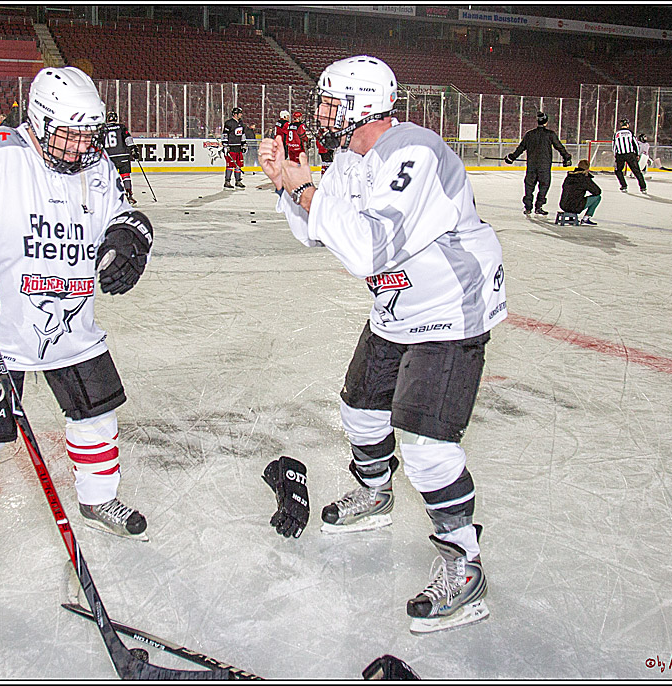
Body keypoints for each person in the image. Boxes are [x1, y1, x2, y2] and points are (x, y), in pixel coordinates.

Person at [259, 55, 504, 634]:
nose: (321, 114)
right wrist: (289, 186)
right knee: (360, 410)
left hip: (448, 311)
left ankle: (465, 565)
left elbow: (370, 246)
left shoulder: (413, 151)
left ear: (361, 106)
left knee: (425, 444)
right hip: (398, 305)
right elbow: (320, 234)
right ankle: (375, 494)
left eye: (330, 104)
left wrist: (306, 187)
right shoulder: (351, 158)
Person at [0, 66, 154, 601]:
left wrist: (130, 237)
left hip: (72, 325)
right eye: (68, 134)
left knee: (97, 418)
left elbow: (124, 214)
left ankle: (98, 498)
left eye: (88, 134)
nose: (80, 145)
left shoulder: (95, 164)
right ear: (38, 121)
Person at [504, 111, 572, 216]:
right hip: (544, 167)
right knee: (544, 186)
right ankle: (539, 206)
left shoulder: (529, 134)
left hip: (532, 166)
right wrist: (567, 157)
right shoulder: (550, 134)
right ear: (546, 122)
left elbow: (521, 148)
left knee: (529, 187)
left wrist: (512, 157)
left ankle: (528, 207)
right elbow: (559, 147)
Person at [101, 111, 139, 205]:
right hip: (123, 156)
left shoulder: (102, 129)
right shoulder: (121, 127)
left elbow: (99, 143)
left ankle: (109, 197)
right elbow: (128, 139)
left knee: (109, 178)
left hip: (109, 157)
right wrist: (133, 149)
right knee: (125, 175)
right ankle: (129, 194)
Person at [559, 160, 602, 225]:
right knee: (597, 197)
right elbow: (597, 191)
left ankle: (572, 217)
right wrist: (588, 179)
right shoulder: (584, 178)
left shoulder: (569, 176)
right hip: (575, 206)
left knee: (574, 196)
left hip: (563, 205)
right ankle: (586, 218)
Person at [612, 118, 646, 194]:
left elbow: (614, 146)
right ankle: (643, 187)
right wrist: (637, 154)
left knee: (618, 171)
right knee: (636, 171)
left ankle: (623, 186)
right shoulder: (630, 133)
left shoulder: (616, 134)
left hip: (620, 155)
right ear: (627, 125)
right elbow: (635, 144)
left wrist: (615, 155)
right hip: (630, 154)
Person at [221, 106, 246, 189]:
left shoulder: (241, 123)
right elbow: (225, 134)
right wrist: (225, 145)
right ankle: (227, 181)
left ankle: (238, 180)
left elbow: (242, 135)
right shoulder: (229, 123)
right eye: (240, 113)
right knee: (230, 165)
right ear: (235, 114)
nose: (241, 115)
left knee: (238, 165)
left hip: (238, 147)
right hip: (231, 147)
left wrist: (244, 144)